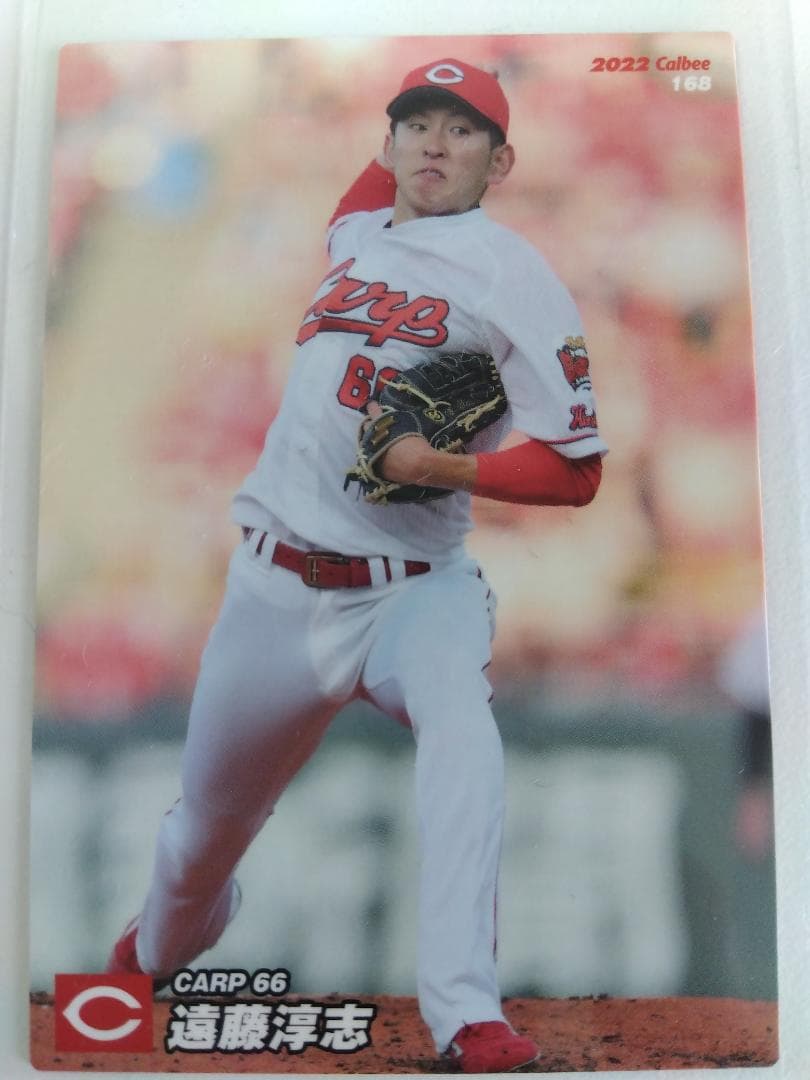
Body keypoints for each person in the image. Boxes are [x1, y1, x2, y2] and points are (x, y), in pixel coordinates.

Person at [107, 57, 608, 1073]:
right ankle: (149, 952)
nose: (434, 143)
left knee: (464, 739)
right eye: (416, 124)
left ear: (502, 160)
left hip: (414, 593)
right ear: (385, 145)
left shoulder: (514, 274)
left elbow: (577, 470)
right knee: (200, 838)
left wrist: (446, 465)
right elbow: (368, 181)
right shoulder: (353, 233)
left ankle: (467, 1015)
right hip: (273, 589)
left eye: (462, 130)